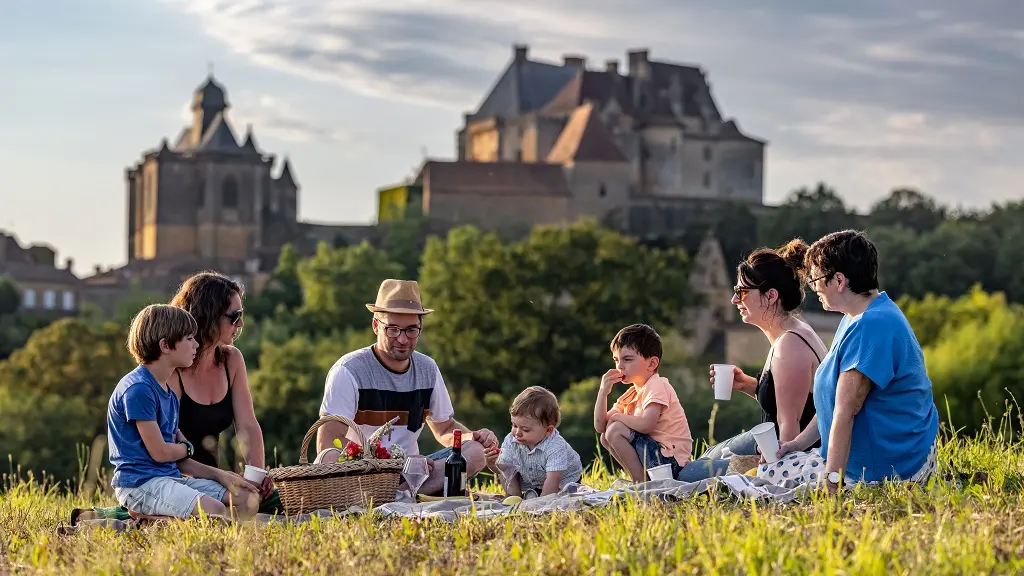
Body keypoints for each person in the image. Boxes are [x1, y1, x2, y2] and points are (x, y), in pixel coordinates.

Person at [82, 272, 279, 525]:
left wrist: (254, 477)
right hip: (169, 473)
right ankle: (140, 515)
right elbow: (162, 450)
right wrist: (208, 466)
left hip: (204, 475)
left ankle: (173, 515)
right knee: (218, 514)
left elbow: (248, 425)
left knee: (251, 502)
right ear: (209, 316)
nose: (240, 324)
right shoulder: (165, 374)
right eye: (234, 317)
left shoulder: (231, 360)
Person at [762, 230, 939, 490]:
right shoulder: (859, 315)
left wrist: (832, 483)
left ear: (839, 281)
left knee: (765, 477)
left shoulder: (872, 326)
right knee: (772, 469)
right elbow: (832, 401)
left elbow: (845, 412)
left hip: (888, 470)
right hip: (896, 457)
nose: (813, 287)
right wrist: (798, 444)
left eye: (816, 280)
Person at [316, 279, 500, 496]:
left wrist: (473, 437)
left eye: (411, 330)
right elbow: (328, 440)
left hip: (413, 471)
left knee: (475, 452)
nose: (403, 339)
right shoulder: (349, 370)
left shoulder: (427, 369)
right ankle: (403, 493)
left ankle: (401, 494)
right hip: (362, 471)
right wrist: (378, 466)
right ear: (376, 326)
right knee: (329, 459)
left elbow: (444, 428)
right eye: (393, 329)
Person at [106, 304, 258, 519]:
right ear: (166, 345)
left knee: (246, 500)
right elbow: (161, 453)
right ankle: (139, 517)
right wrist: (186, 448)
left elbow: (176, 455)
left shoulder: (167, 390)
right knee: (213, 511)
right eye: (189, 339)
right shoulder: (138, 390)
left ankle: (161, 518)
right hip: (140, 485)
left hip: (169, 477)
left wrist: (221, 474)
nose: (197, 344)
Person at [701, 240, 827, 462]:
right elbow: (791, 398)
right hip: (775, 445)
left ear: (771, 296)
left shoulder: (790, 344)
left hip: (790, 453)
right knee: (709, 456)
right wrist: (749, 385)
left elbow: (791, 425)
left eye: (741, 292)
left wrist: (773, 473)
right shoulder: (790, 331)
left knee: (696, 469)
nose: (734, 300)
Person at [594, 324, 693, 483]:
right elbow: (600, 426)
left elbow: (647, 424)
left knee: (616, 429)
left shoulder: (657, 385)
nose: (619, 366)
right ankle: (642, 479)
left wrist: (618, 418)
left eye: (627, 359)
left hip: (671, 463)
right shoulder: (632, 394)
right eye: (616, 360)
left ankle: (640, 482)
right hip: (656, 460)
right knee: (606, 436)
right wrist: (603, 392)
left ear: (652, 364)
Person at [490, 386, 583, 499]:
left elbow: (553, 479)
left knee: (563, 496)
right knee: (506, 467)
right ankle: (514, 497)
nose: (517, 433)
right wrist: (493, 462)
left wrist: (542, 502)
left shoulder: (555, 445)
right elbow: (504, 469)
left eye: (526, 429)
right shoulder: (511, 440)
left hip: (562, 481)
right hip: (533, 479)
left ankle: (542, 496)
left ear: (548, 430)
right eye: (514, 425)